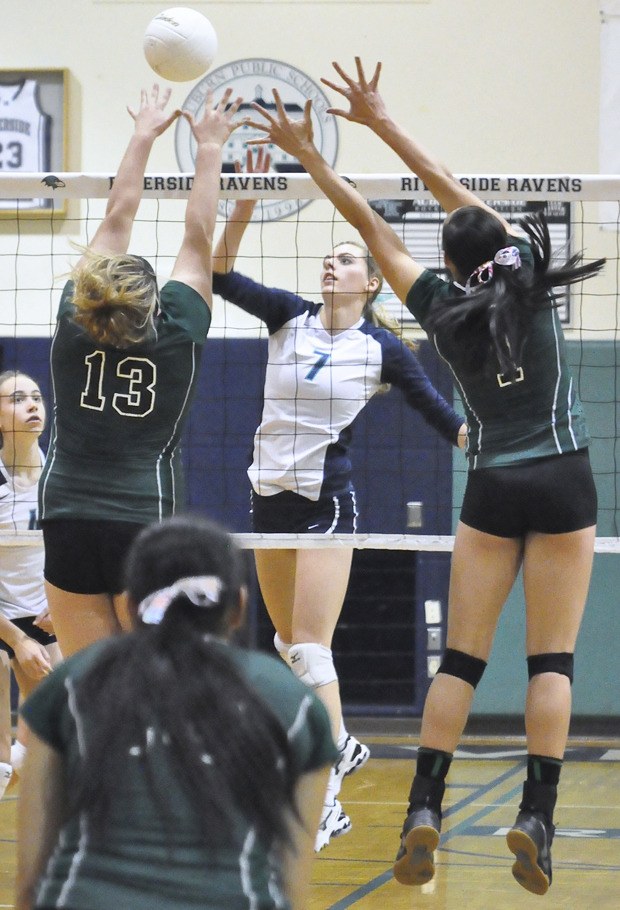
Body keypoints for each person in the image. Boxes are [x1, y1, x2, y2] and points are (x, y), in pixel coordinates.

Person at [243, 58, 605, 894]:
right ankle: (537, 818)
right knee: (551, 662)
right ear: (499, 247)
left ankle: (423, 807)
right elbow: (450, 186)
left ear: (443, 261)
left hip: (493, 484)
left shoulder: (437, 310)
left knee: (461, 663)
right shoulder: (528, 279)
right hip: (565, 477)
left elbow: (370, 228)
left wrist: (317, 155)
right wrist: (385, 121)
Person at [213, 147, 466, 851]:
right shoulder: (287, 317)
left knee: (312, 651)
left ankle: (326, 797)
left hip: (327, 504)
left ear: (371, 281)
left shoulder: (382, 349)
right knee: (288, 646)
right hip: (267, 499)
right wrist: (243, 206)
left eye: (346, 259)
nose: (332, 264)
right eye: (328, 258)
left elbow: (439, 414)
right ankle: (343, 740)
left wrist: (478, 437)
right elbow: (219, 273)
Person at [15, 513, 337, 910]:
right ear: (238, 606)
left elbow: (30, 881)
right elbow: (291, 883)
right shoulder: (293, 702)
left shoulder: (69, 686)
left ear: (131, 605)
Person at [39, 85, 243, 657]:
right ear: (156, 302)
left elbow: (118, 213)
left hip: (67, 513)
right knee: (154, 675)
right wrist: (210, 147)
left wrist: (143, 133)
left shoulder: (74, 319)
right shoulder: (177, 335)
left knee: (91, 679)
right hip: (143, 519)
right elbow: (198, 237)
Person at [0, 371, 62, 796]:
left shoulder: (60, 475)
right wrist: (17, 642)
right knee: (2, 760)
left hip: (46, 616)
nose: (32, 405)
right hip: (2, 618)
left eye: (36, 397)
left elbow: (78, 551)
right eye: (18, 398)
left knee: (59, 741)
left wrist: (63, 605)